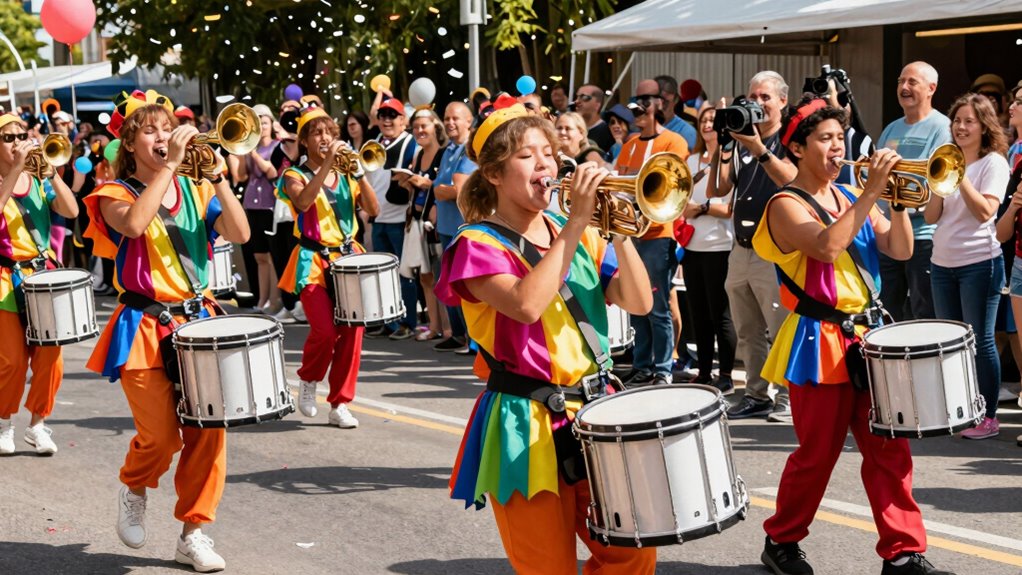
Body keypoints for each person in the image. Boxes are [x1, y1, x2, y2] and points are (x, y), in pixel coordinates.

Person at [435, 103, 656, 574]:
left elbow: (639, 302)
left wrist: (618, 231)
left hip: (595, 413)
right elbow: (526, 304)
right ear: (494, 174)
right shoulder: (476, 245)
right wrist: (575, 224)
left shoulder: (578, 234)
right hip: (525, 419)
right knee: (548, 567)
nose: (545, 164)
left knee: (634, 553)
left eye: (549, 153)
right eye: (526, 156)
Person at [755, 95, 954, 575]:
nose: (837, 148)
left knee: (890, 449)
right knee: (817, 454)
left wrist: (897, 201)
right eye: (825, 139)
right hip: (817, 339)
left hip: (869, 337)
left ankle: (903, 552)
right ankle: (781, 540)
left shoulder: (848, 195)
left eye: (839, 139)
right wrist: (871, 194)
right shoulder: (784, 204)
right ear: (797, 148)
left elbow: (900, 250)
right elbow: (827, 246)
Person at [82, 90, 251, 572]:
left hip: (198, 321)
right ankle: (134, 486)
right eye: (151, 130)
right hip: (144, 324)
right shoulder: (112, 194)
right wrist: (171, 165)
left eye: (167, 127)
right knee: (160, 437)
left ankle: (193, 533)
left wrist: (218, 178)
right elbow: (135, 226)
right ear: (130, 143)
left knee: (209, 432)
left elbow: (240, 234)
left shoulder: (196, 189)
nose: (164, 136)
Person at [279, 105, 380, 428]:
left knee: (352, 332)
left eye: (329, 132)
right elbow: (303, 202)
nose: (325, 138)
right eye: (317, 133)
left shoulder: (348, 174)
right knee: (324, 331)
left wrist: (360, 174)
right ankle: (309, 380)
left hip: (348, 259)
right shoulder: (293, 175)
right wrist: (326, 166)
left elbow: (373, 209)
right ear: (304, 140)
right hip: (312, 261)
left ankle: (340, 403)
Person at [707, 71, 797, 421]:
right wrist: (722, 143)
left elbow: (792, 180)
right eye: (752, 98)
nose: (758, 104)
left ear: (782, 102)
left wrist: (757, 147)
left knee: (781, 327)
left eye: (765, 97)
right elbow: (717, 190)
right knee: (747, 329)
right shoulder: (744, 139)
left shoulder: (790, 140)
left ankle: (789, 397)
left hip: (776, 250)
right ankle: (757, 394)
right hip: (742, 248)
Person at [926, 94, 1010, 440]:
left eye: (969, 121)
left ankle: (987, 416)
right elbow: (931, 216)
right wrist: (938, 182)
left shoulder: (994, 164)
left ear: (984, 126)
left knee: (981, 340)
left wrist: (959, 175)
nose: (960, 127)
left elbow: (985, 213)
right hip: (942, 262)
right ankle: (960, 409)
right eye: (957, 121)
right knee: (949, 342)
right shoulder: (947, 159)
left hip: (980, 262)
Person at [0, 113, 78, 456]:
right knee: (12, 361)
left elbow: (71, 211)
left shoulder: (38, 179)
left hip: (43, 277)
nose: (17, 142)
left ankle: (37, 424)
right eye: (8, 138)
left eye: (21, 136)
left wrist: (53, 174)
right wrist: (16, 169)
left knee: (50, 358)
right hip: (5, 279)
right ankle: (4, 423)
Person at [615, 78, 690, 386]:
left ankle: (663, 369)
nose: (639, 113)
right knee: (637, 303)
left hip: (658, 233)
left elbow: (673, 183)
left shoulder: (674, 141)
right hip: (633, 232)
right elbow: (620, 183)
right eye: (636, 107)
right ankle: (642, 365)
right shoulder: (630, 145)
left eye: (645, 105)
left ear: (657, 105)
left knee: (658, 306)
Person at [874, 62, 951, 322]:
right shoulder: (891, 128)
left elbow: (940, 181)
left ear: (931, 88)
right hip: (890, 234)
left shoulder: (943, 127)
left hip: (923, 235)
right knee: (887, 311)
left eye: (912, 82)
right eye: (900, 81)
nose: (903, 87)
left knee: (924, 312)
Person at [680, 105, 737, 393]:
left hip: (720, 247)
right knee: (698, 313)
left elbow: (729, 209)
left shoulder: (730, 161)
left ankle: (725, 373)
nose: (707, 125)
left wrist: (701, 208)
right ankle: (704, 371)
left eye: (713, 120)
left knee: (720, 314)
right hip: (692, 247)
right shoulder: (690, 161)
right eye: (703, 120)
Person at [365, 96, 419, 340]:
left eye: (392, 116)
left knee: (404, 273)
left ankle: (407, 321)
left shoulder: (411, 143)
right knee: (382, 274)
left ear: (403, 119)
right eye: (383, 115)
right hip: (378, 217)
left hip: (400, 218)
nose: (387, 120)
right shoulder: (373, 142)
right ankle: (388, 320)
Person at [400, 108, 448, 342]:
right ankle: (434, 326)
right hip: (417, 221)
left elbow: (443, 185)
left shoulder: (444, 153)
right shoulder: (418, 155)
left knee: (438, 276)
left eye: (424, 126)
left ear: (435, 127)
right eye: (416, 127)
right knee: (424, 277)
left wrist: (427, 183)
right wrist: (408, 183)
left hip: (435, 224)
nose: (419, 131)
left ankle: (448, 329)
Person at [432, 101, 476, 353]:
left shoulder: (470, 150)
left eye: (455, 118)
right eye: (446, 118)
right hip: (447, 227)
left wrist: (441, 191)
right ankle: (458, 334)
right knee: (448, 279)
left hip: (463, 227)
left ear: (468, 121)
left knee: (464, 282)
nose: (449, 122)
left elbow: (459, 190)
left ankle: (473, 339)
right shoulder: (449, 149)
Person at [241, 104, 281, 314]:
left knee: (272, 256)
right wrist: (240, 150)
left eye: (264, 122)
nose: (262, 127)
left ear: (271, 124)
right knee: (259, 257)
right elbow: (240, 175)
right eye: (258, 123)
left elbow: (272, 172)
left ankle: (274, 301)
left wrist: (253, 154)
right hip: (252, 204)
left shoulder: (276, 146)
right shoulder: (251, 148)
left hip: (269, 205)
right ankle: (262, 300)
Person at [655, 74, 698, 149]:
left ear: (676, 99)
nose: (660, 107)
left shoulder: (687, 132)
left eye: (665, 102)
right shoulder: (641, 127)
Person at [572, 83, 615, 153]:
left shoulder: (608, 133)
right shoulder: (572, 130)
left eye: (584, 97)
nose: (576, 101)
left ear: (597, 104)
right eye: (577, 97)